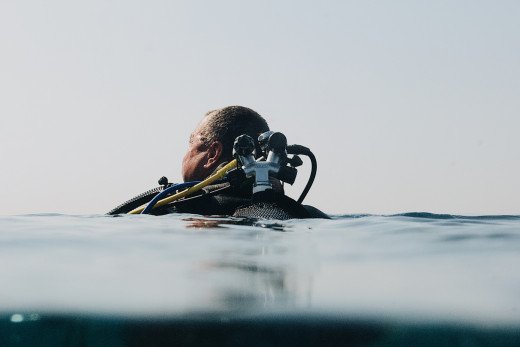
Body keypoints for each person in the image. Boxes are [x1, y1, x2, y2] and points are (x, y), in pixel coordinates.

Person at [108, 106, 328, 218]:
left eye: (190, 144)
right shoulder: (308, 215)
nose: (186, 154)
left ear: (213, 152)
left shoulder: (175, 206)